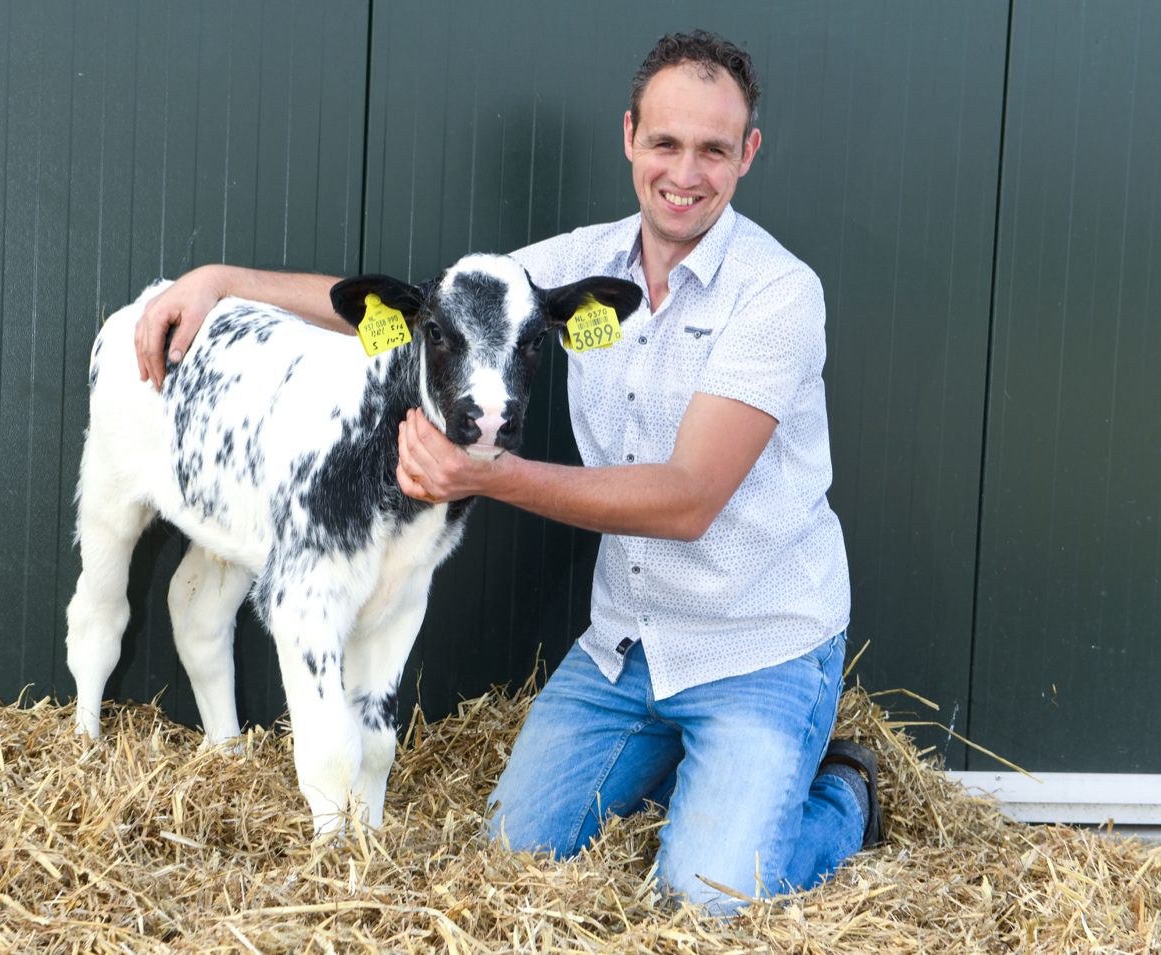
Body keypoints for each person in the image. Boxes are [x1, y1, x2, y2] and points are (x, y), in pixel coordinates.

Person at [134, 30, 882, 913]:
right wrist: (224, 281)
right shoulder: (578, 264)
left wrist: (486, 474)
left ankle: (842, 795)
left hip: (756, 648)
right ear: (630, 137)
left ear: (746, 153)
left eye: (713, 150)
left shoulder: (777, 294)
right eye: (666, 143)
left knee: (708, 896)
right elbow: (430, 310)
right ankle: (704, 774)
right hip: (628, 651)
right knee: (513, 851)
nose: (686, 172)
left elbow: (687, 501)